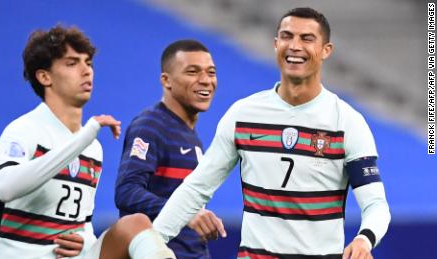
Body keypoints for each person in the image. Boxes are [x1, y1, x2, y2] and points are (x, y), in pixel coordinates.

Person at [153, 7, 391, 259]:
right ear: (276, 44)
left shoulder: (347, 122)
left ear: (326, 51)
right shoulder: (243, 114)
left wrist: (365, 239)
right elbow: (196, 188)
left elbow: (376, 205)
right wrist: (152, 241)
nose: (295, 46)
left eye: (307, 38)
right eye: (287, 36)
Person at [0, 25, 175, 259]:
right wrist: (83, 137)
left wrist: (85, 242)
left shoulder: (93, 148)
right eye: (72, 63)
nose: (86, 71)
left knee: (135, 225)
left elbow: (82, 223)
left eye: (88, 63)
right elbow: (5, 188)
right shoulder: (23, 131)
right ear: (44, 76)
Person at [114, 39, 225, 259]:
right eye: (192, 72)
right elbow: (126, 191)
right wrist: (184, 213)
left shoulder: (190, 136)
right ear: (167, 81)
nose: (205, 80)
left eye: (211, 73)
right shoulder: (150, 126)